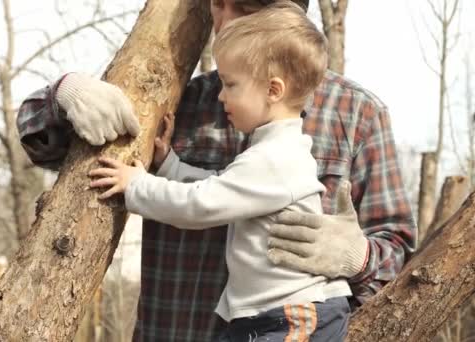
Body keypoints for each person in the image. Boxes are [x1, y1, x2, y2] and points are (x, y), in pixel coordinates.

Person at [16, 0, 417, 340]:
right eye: (216, 3)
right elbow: (57, 152)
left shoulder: (358, 116)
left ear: (290, 14)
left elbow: (399, 261)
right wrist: (66, 96)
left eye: (243, 7)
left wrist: (359, 258)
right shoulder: (174, 100)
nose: (222, 22)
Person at [87, 3, 352, 340]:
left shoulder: (275, 159)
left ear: (273, 90)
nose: (221, 95)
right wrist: (169, 166)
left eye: (231, 85)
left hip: (291, 315)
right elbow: (220, 188)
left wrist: (136, 186)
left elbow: (201, 205)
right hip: (268, 317)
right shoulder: (274, 152)